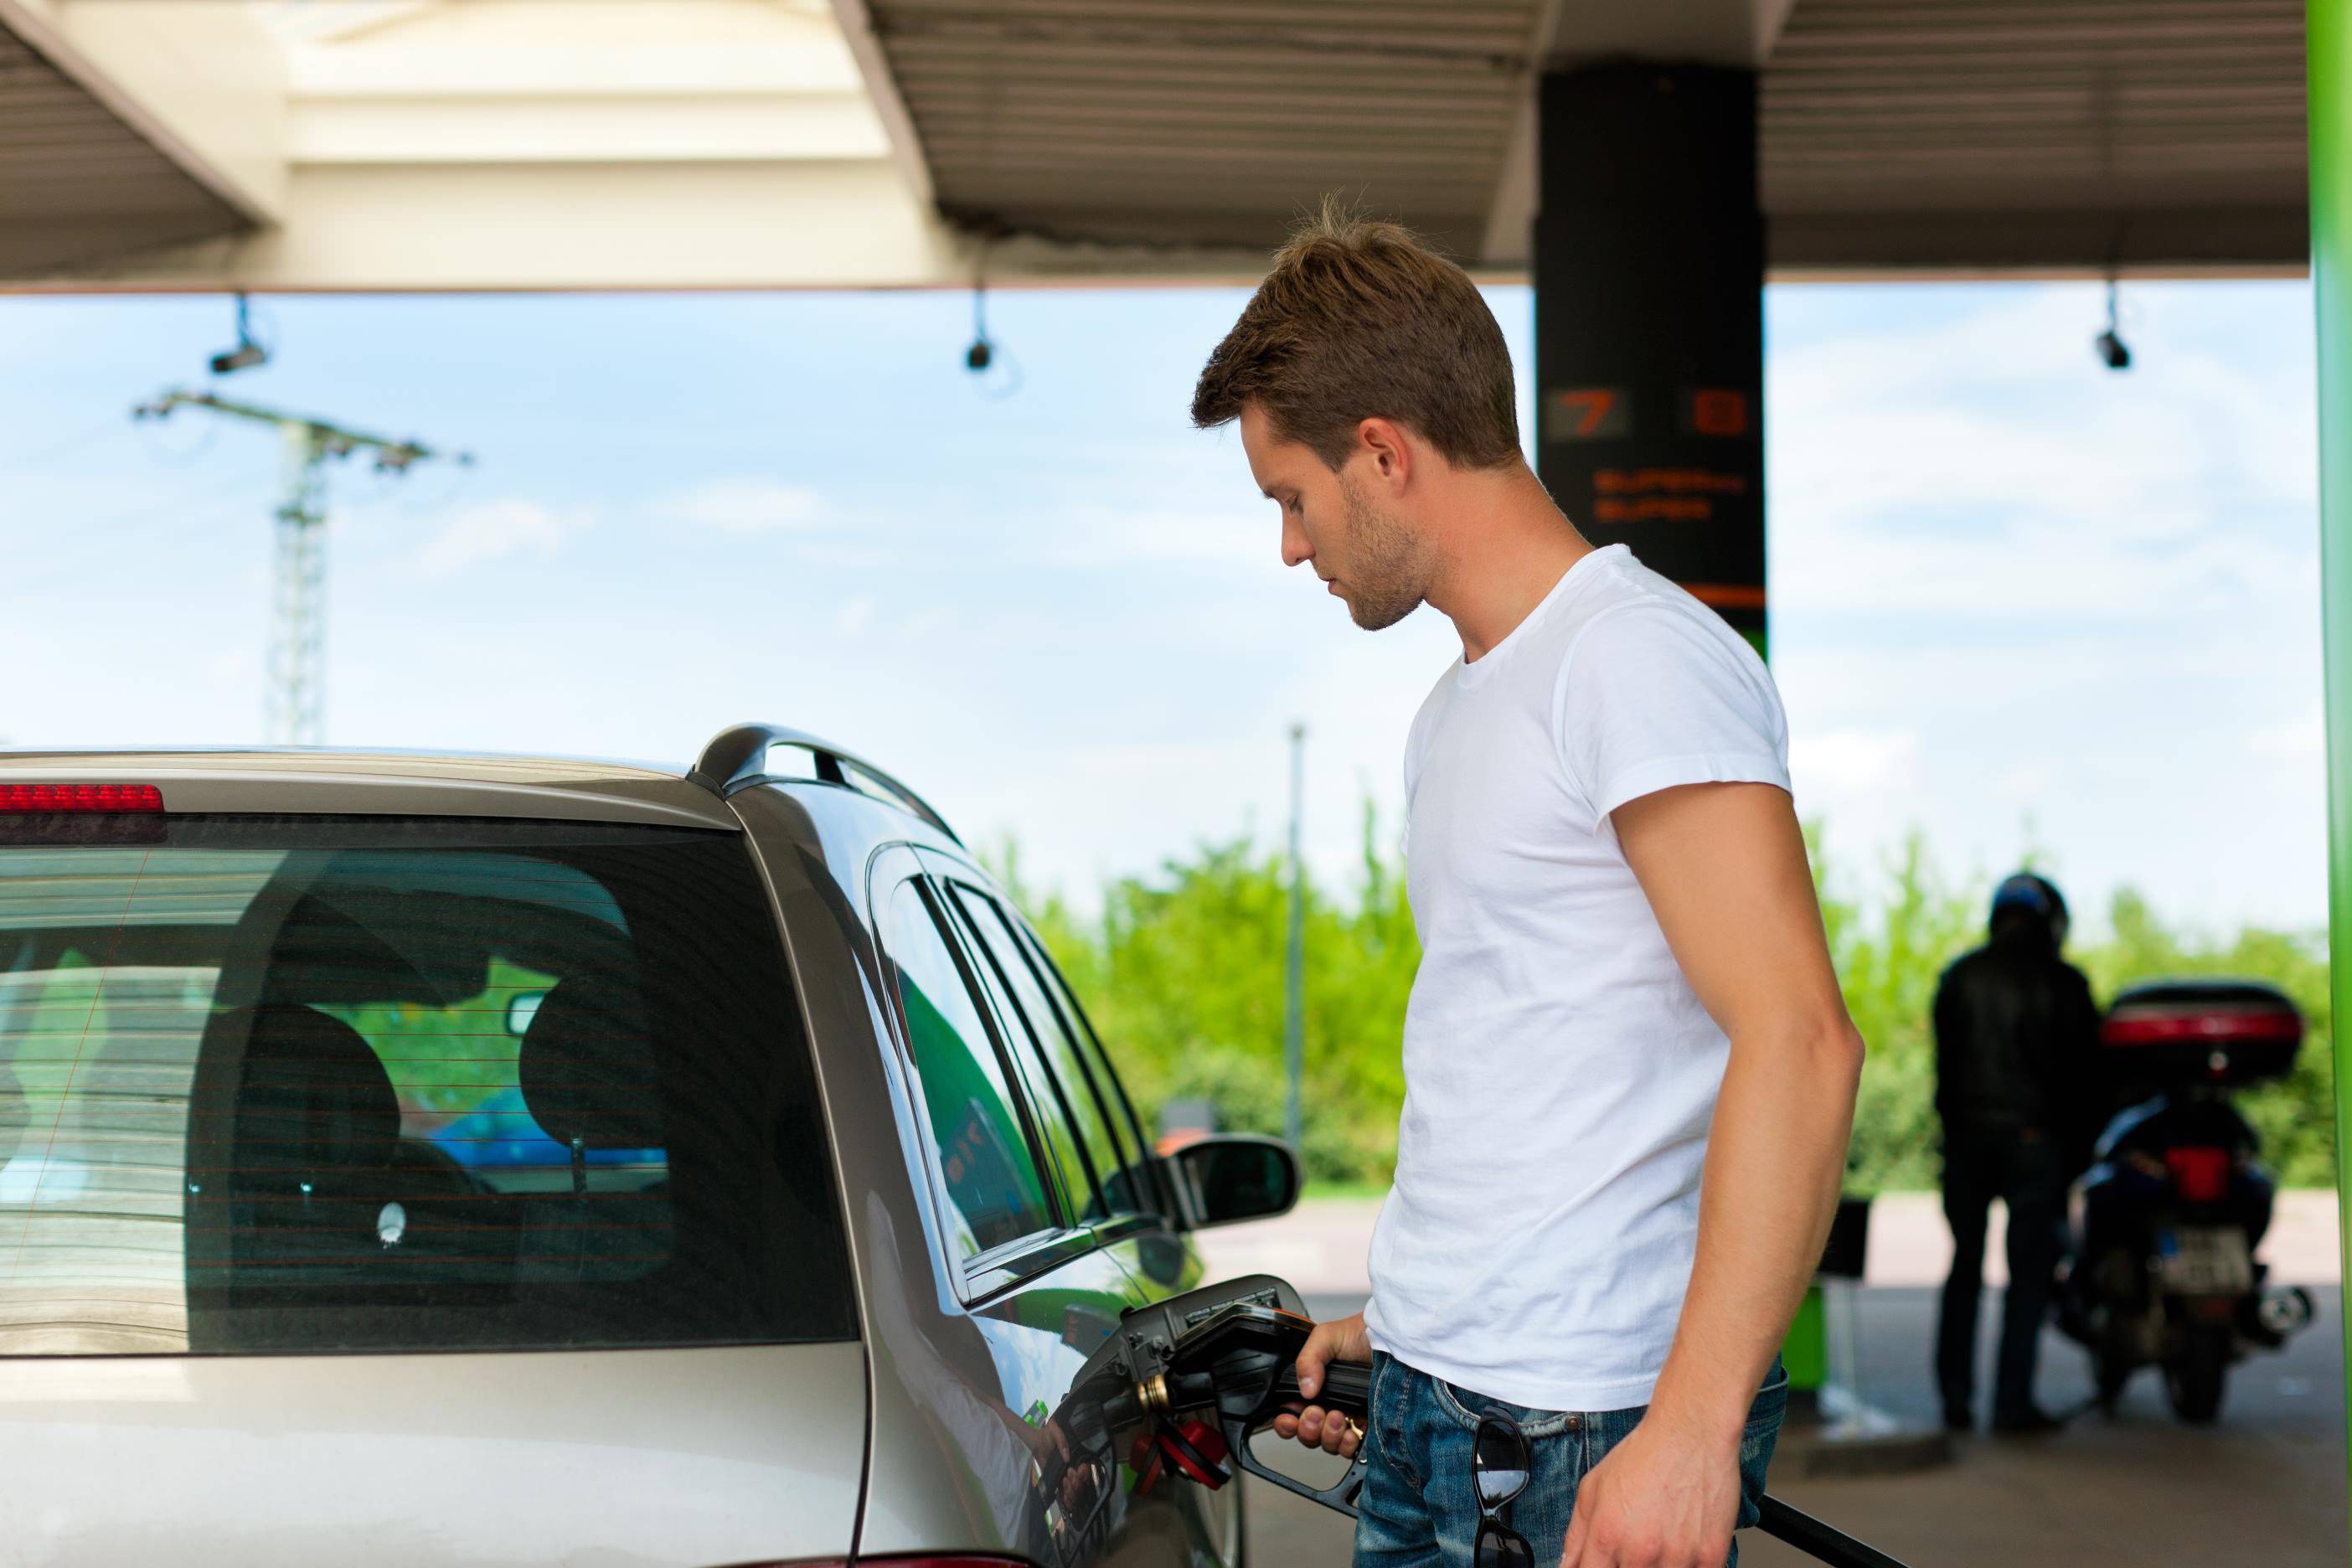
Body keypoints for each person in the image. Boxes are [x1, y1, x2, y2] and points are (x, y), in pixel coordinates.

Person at [1189, 205, 1864, 1568]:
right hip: (1450, 1394)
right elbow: (1536, 1048)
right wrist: (1409, 1316)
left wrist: (1687, 1426)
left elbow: (1798, 1039)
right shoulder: (1461, 706)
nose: (1289, 546)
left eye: (1290, 497)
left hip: (1584, 1418)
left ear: (1381, 451)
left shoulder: (1631, 659)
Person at [1932, 871, 2102, 1436]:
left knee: (1965, 1268)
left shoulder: (1961, 976)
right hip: (2036, 1142)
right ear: (2052, 921)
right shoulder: (2064, 982)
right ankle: (2011, 1405)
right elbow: (2086, 1084)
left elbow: (1944, 1074)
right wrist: (2076, 1159)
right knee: (2028, 1278)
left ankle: (1955, 1398)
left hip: (1967, 1143)